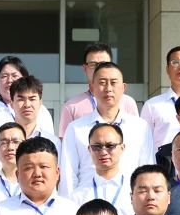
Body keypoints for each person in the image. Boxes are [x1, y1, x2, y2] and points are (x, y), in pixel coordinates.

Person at [59, 62, 152, 197]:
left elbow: (147, 171)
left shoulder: (140, 127)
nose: (108, 88)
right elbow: (68, 175)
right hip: (87, 202)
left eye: (113, 83)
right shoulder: (75, 128)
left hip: (128, 202)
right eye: (102, 83)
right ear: (92, 87)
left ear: (123, 87)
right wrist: (69, 205)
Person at [57, 42, 139, 140]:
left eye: (104, 64)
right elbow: (65, 143)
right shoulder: (71, 106)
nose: (99, 68)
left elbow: (136, 136)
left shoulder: (128, 102)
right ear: (85, 68)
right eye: (93, 64)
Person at [71, 123, 134, 215]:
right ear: (89, 149)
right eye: (97, 147)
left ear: (122, 148)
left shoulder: (134, 191)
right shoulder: (78, 196)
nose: (103, 152)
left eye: (110, 146)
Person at [0, 58, 56, 139]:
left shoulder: (42, 111)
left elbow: (49, 141)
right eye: (4, 76)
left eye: (14, 76)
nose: (9, 80)